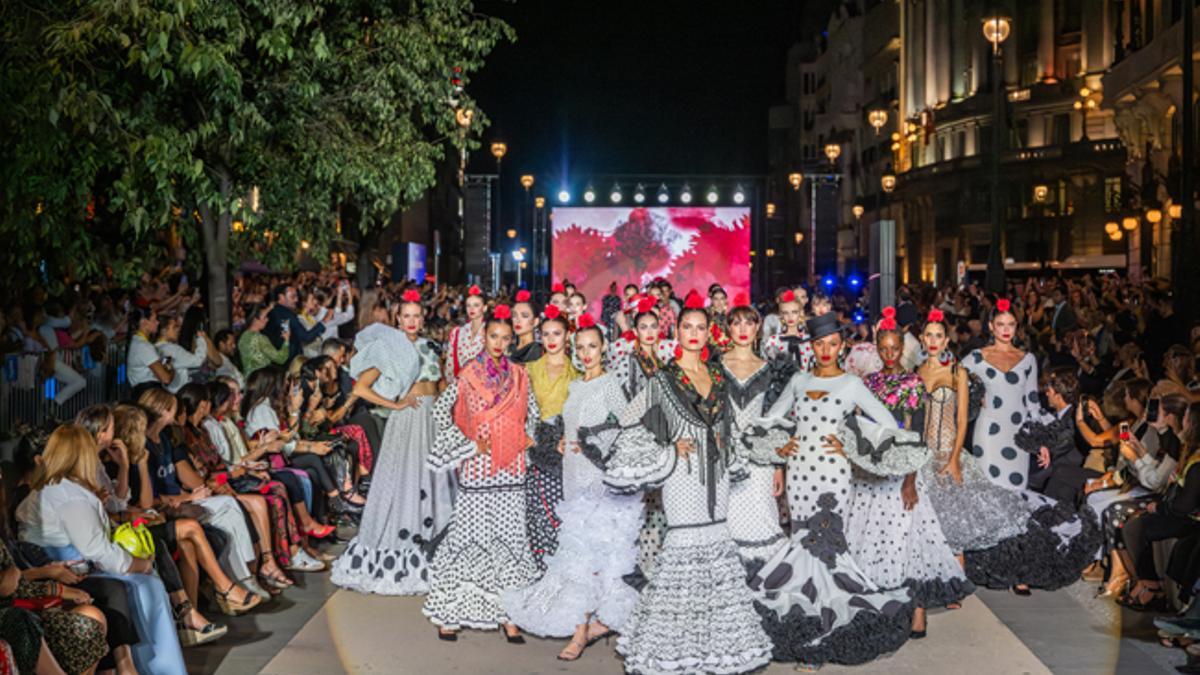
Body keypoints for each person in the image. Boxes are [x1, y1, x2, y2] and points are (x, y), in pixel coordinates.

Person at [601, 292, 772, 674]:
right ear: (674, 332)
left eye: (700, 328)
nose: (693, 334)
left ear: (710, 333)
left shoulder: (717, 375)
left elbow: (729, 422)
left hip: (719, 476)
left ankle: (715, 646)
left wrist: (728, 443)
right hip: (681, 478)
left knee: (717, 545)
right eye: (686, 327)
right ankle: (672, 649)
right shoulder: (663, 378)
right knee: (683, 547)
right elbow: (628, 421)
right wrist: (665, 446)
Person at [748, 312, 921, 669]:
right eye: (819, 344)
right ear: (811, 347)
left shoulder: (852, 385)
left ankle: (824, 630)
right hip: (799, 475)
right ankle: (804, 620)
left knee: (827, 546)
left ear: (841, 346)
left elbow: (887, 423)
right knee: (800, 541)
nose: (826, 350)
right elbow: (773, 418)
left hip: (832, 475)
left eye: (832, 344)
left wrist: (851, 443)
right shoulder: (798, 379)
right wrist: (781, 447)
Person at [501, 315, 642, 661]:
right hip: (572, 475)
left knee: (597, 554)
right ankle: (590, 624)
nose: (586, 353)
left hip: (598, 477)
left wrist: (596, 443)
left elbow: (627, 428)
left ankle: (588, 629)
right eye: (580, 348)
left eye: (592, 346)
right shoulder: (576, 386)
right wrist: (565, 441)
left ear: (604, 347)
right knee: (579, 554)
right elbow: (573, 424)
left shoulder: (610, 384)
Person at [16, 425, 187, 674]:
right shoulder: (69, 496)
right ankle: (142, 666)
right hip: (67, 570)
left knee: (141, 581)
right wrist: (139, 564)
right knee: (143, 584)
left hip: (67, 566)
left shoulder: (58, 488)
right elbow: (97, 550)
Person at [424, 305, 540, 642]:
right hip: (477, 467)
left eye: (506, 338)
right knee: (468, 537)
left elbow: (531, 412)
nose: (500, 343)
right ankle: (450, 611)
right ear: (484, 336)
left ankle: (509, 613)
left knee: (509, 540)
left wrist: (528, 433)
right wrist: (468, 444)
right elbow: (440, 412)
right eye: (494, 336)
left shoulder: (519, 375)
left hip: (512, 467)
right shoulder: (467, 375)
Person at [853, 313, 972, 638]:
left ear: (902, 348)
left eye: (895, 348)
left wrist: (909, 480)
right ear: (877, 348)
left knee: (909, 542)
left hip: (905, 471)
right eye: (884, 348)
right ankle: (881, 607)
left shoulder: (913, 382)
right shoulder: (869, 382)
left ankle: (918, 611)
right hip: (875, 470)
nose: (890, 354)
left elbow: (917, 435)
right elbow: (862, 427)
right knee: (875, 540)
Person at [333, 289, 453, 594]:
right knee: (405, 480)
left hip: (433, 418)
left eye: (417, 316)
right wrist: (395, 404)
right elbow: (361, 388)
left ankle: (435, 545)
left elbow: (440, 384)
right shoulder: (389, 348)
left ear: (423, 318)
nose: (412, 321)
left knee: (434, 480)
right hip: (407, 418)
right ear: (398, 319)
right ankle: (401, 542)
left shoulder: (431, 346)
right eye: (406, 316)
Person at [719, 296, 792, 564]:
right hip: (724, 456)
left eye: (748, 323)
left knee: (762, 515)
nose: (742, 329)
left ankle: (766, 579)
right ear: (728, 328)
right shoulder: (715, 366)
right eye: (736, 323)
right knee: (727, 518)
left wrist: (778, 466)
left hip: (759, 459)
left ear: (757, 328)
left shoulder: (771, 370)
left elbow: (774, 423)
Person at [1116, 401, 1200, 611]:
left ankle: (1151, 586)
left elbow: (1172, 493)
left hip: (1187, 516)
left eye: (1187, 419)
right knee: (1134, 522)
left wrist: (1136, 458)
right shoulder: (1184, 447)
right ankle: (1145, 582)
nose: (1184, 423)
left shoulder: (1185, 449)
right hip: (1174, 507)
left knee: (1138, 525)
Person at [964, 298, 1042, 490]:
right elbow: (953, 379)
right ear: (991, 327)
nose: (1006, 330)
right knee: (989, 491)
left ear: (1016, 327)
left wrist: (1041, 441)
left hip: (1019, 435)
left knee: (1017, 490)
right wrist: (975, 393)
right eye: (1000, 324)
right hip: (989, 432)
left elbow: (1032, 402)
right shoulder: (977, 357)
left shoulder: (1028, 359)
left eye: (1011, 325)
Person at [522, 309, 578, 569]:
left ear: (567, 335)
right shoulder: (529, 369)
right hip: (535, 443)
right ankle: (541, 568)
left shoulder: (577, 371)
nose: (551, 339)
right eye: (545, 334)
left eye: (557, 333)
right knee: (537, 509)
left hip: (567, 445)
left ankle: (564, 568)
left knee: (564, 510)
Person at [264, 284, 325, 361]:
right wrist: (324, 322)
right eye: (292, 297)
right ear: (281, 297)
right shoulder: (286, 314)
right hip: (287, 358)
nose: (296, 300)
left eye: (296, 296)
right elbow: (306, 337)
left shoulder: (277, 311)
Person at [761, 289, 813, 370]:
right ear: (781, 315)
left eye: (794, 312)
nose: (790, 316)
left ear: (801, 313)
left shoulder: (809, 340)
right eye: (785, 313)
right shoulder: (773, 341)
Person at [444, 285, 486, 381]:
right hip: (459, 387)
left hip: (483, 387)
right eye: (468, 305)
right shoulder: (457, 332)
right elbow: (450, 364)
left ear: (484, 308)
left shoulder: (490, 332)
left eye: (476, 305)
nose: (471, 309)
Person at [238, 302, 290, 379]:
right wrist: (286, 340)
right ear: (255, 319)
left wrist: (270, 307)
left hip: (248, 379)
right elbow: (281, 358)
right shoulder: (259, 338)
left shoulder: (242, 336)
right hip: (261, 380)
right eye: (265, 317)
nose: (267, 320)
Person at [508, 290, 543, 364]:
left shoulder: (538, 351)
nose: (518, 320)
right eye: (514, 315)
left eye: (524, 316)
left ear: (535, 321)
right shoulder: (508, 348)